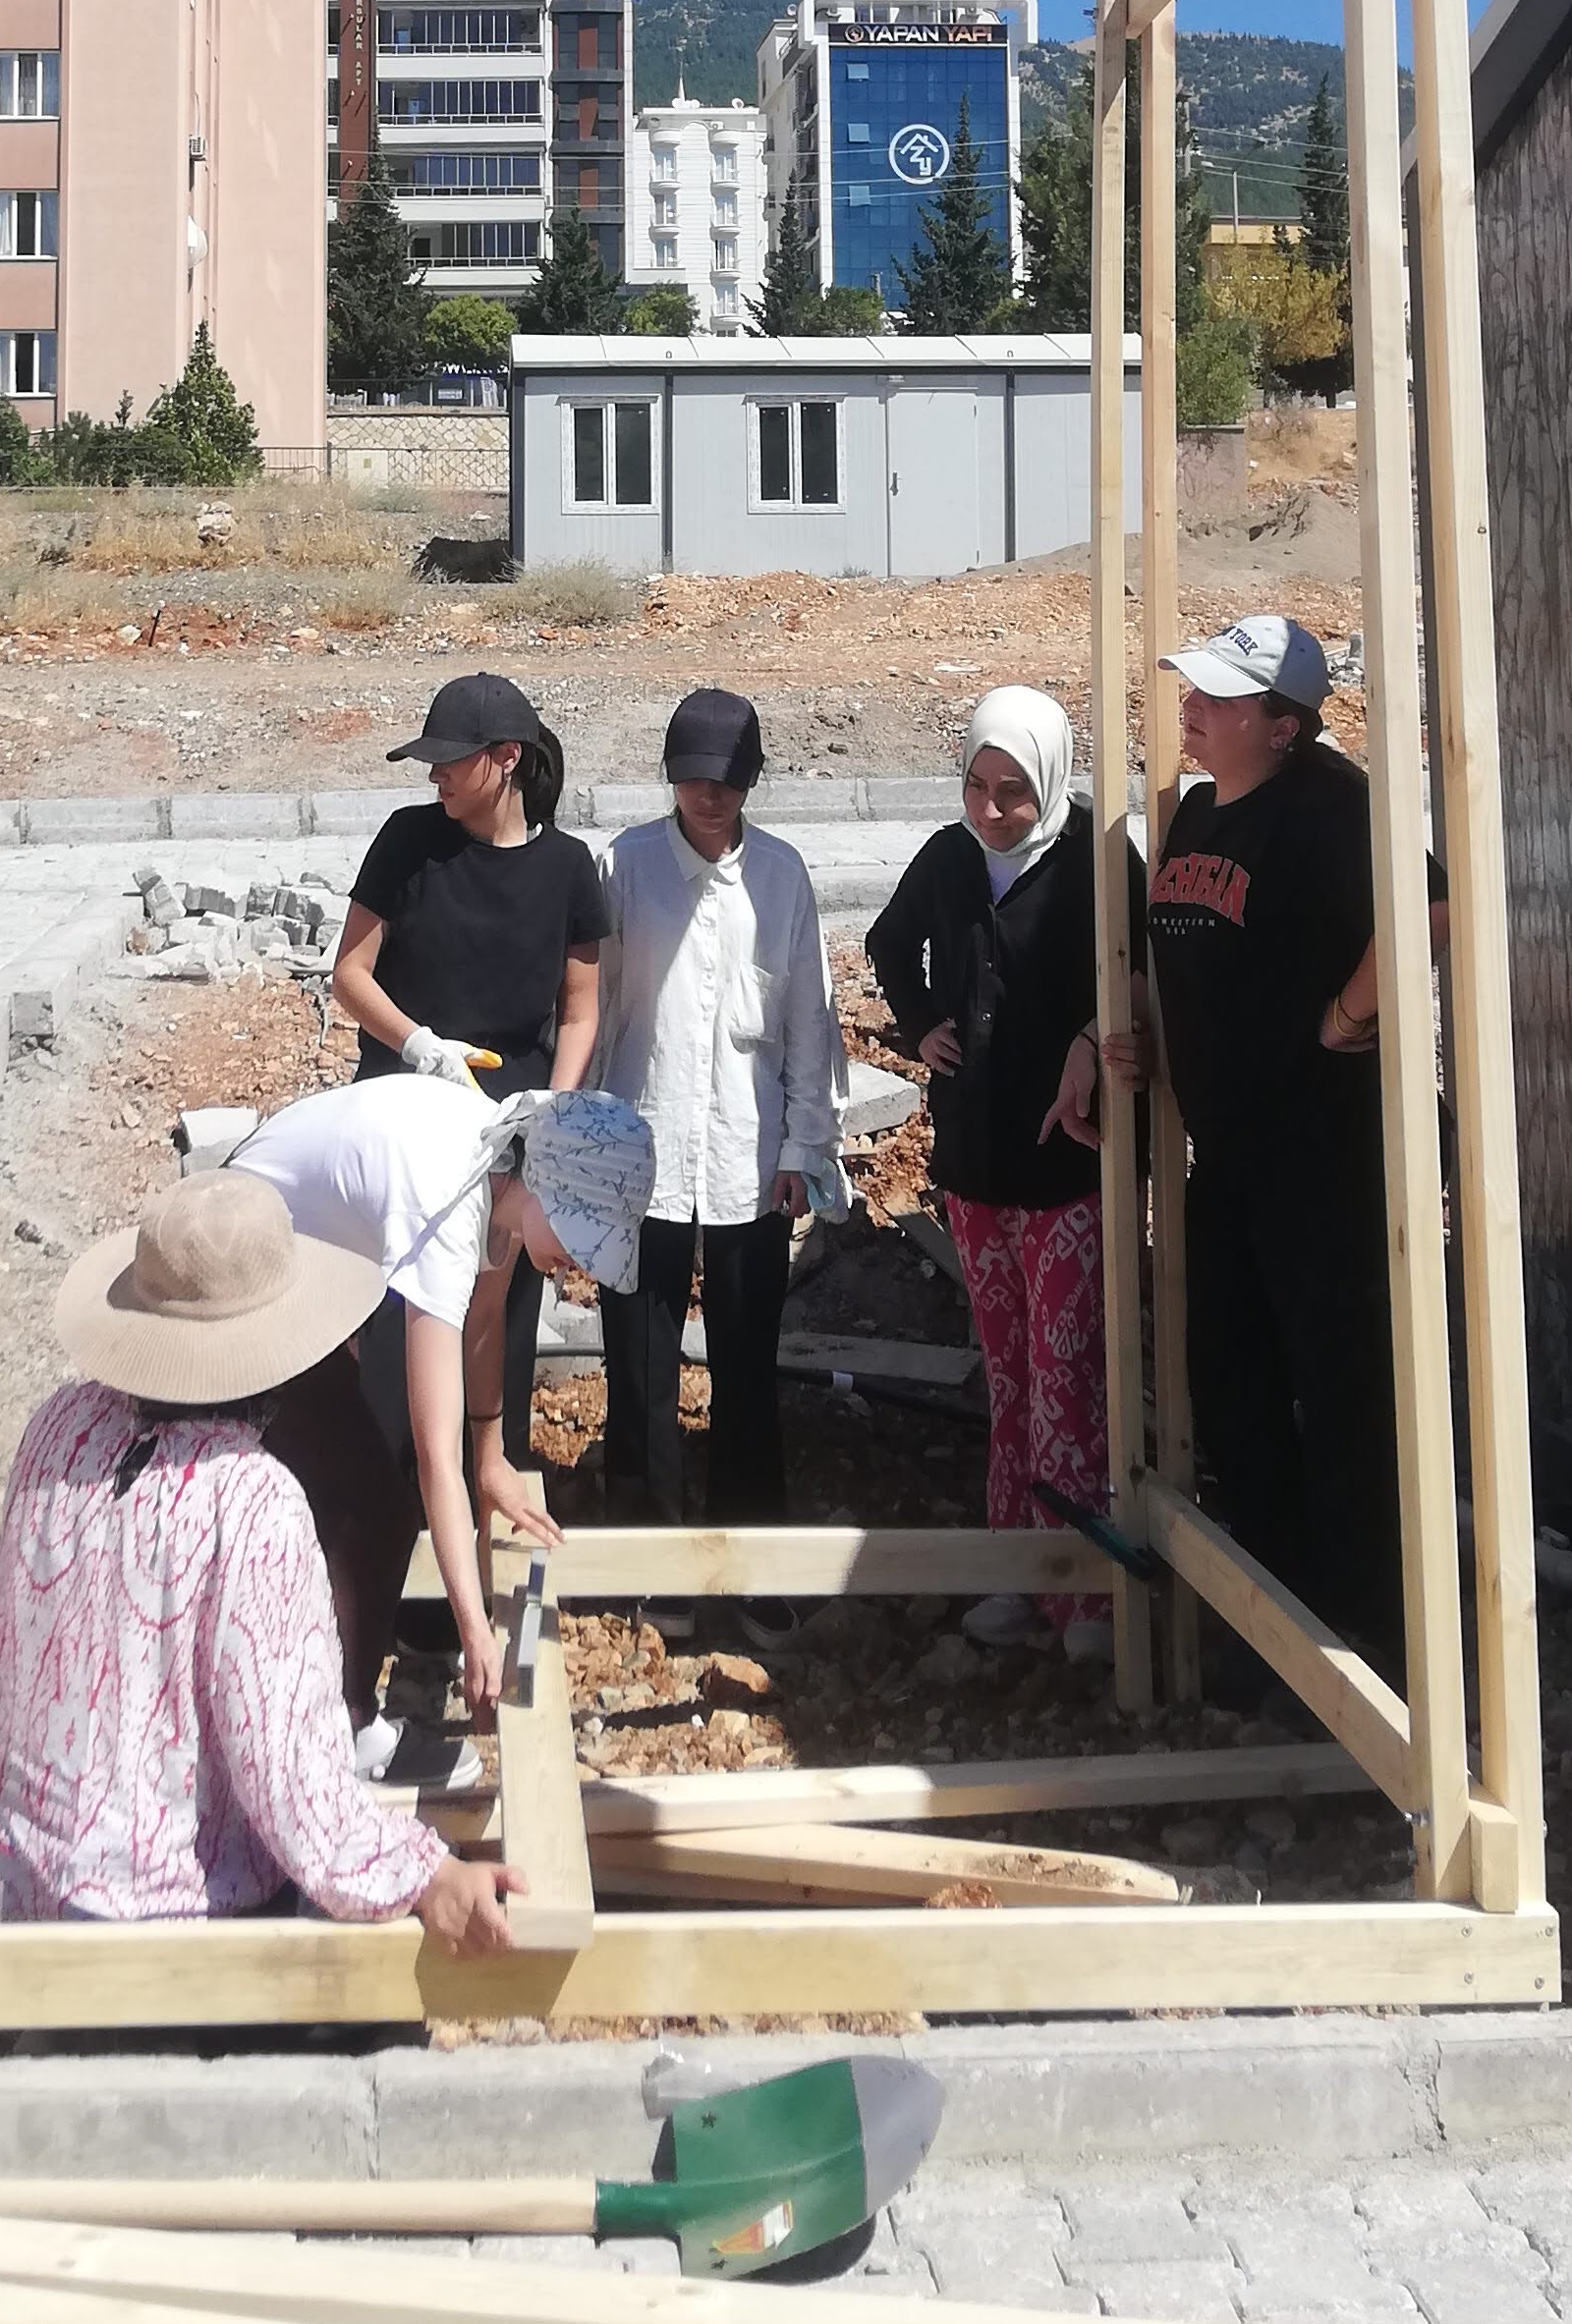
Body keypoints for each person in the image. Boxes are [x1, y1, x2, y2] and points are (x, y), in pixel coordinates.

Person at [0, 1171, 524, 1951]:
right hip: (159, 1923)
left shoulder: (60, 1426)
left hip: (8, 1885)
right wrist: (427, 1874)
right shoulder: (250, 1501)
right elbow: (295, 1786)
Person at [1074, 613, 1446, 1689]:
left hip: (1322, 1161)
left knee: (1340, 1393)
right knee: (1231, 1385)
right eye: (1193, 690)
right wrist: (1127, 1033)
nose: (1190, 708)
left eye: (1218, 698)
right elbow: (1180, 961)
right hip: (1226, 1159)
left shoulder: (1328, 804)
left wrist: (1346, 1015)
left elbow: (1427, 910)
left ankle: (1365, 1644)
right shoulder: (1195, 815)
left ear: (1283, 725)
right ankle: (1275, 1623)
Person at [229, 1070, 653, 1738]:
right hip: (240, 1250)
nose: (581, 1266)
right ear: (547, 1188)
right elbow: (435, 1460)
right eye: (582, 1239)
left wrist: (491, 1458)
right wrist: (475, 1630)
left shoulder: (501, 1176)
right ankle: (332, 1729)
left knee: (354, 1493)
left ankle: (323, 1709)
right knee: (362, 1510)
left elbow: (483, 1323)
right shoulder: (450, 1205)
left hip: (310, 1255)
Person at [863, 684, 1117, 1658]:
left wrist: (1093, 1042)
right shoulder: (951, 858)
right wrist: (923, 1022)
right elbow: (890, 944)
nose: (993, 810)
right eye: (977, 786)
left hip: (1067, 1166)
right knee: (1010, 1377)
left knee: (1068, 1376)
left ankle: (1084, 1591)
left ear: (1050, 779)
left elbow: (1142, 973)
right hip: (973, 1163)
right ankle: (1018, 1571)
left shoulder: (1095, 860)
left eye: (1014, 791)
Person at [591, 690, 845, 1575]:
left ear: (752, 781)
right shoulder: (626, 867)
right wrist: (582, 1142)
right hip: (642, 1150)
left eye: (728, 781)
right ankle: (646, 1561)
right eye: (695, 778)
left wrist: (804, 1146)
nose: (710, 797)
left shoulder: (780, 876)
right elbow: (594, 1009)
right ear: (671, 776)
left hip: (750, 1155)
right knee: (639, 1365)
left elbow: (809, 1021)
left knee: (746, 1369)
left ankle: (747, 1558)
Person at [332, 672, 609, 1461]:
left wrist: (551, 1115)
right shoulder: (408, 842)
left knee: (494, 1324)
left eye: (451, 759)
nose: (436, 775)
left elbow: (580, 1011)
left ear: (507, 757)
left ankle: (485, 1489)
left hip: (504, 1137)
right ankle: (392, 1508)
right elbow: (350, 975)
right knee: (395, 1327)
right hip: (402, 1121)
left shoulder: (568, 868)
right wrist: (420, 1045)